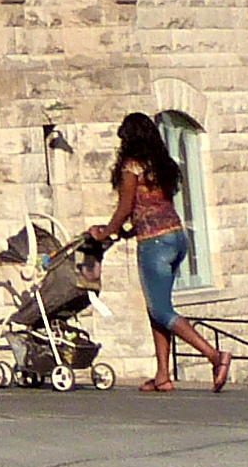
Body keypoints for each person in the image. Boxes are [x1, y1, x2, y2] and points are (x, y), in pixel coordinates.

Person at [90, 112, 227, 391]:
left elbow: (126, 207)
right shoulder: (162, 165)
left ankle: (214, 356)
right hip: (177, 238)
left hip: (154, 244)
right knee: (159, 308)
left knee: (161, 309)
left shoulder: (132, 167)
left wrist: (105, 232)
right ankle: (163, 375)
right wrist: (128, 230)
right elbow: (152, 207)